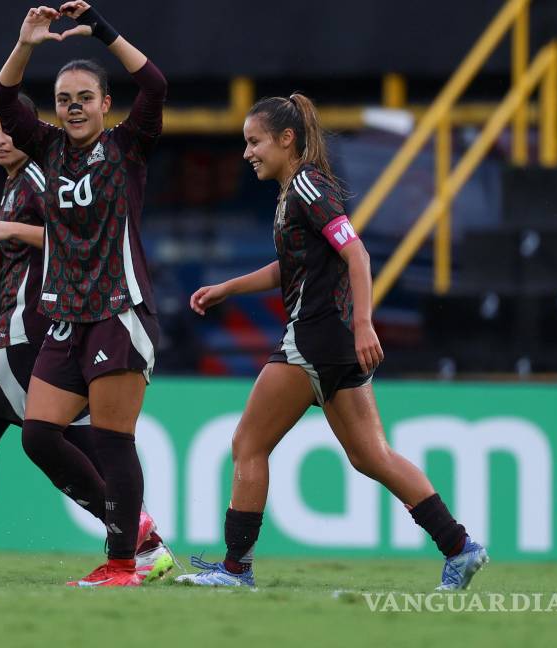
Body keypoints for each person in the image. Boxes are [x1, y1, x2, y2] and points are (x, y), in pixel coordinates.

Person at [177, 94, 489, 590]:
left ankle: (236, 570)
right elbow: (294, 266)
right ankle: (460, 547)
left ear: (286, 140)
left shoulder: (304, 184)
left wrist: (365, 323)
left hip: (316, 337)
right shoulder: (297, 190)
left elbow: (357, 254)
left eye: (254, 142)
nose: (246, 153)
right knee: (371, 456)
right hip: (334, 339)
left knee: (248, 444)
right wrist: (228, 288)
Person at [0, 99, 174, 581]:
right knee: (49, 438)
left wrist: (11, 229)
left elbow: (76, 232)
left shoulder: (40, 175)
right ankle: (141, 538)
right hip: (26, 329)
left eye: (6, 130)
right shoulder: (16, 184)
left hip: (32, 329)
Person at [0, 1, 167, 587]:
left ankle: (124, 562)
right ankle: (135, 537)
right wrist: (26, 44)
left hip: (120, 312)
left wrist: (105, 31)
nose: (72, 106)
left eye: (84, 97)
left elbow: (155, 83)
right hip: (66, 317)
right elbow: (2, 103)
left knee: (114, 442)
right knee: (39, 436)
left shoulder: (127, 146)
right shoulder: (46, 147)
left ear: (104, 104)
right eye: (64, 98)